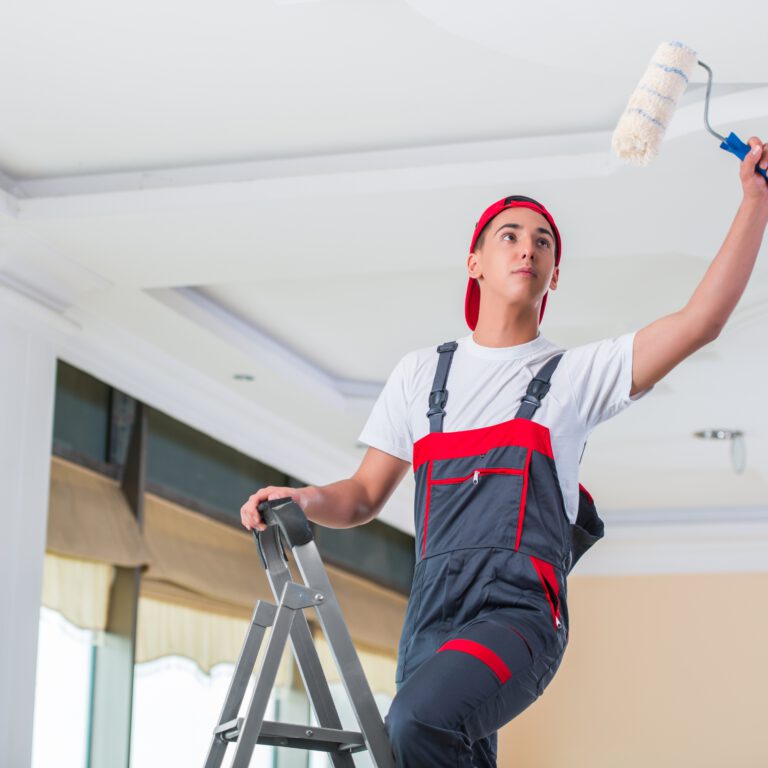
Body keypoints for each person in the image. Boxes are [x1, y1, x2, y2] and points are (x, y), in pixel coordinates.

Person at [241, 137, 768, 766]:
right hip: (431, 620)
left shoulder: (574, 377)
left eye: (544, 241)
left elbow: (700, 321)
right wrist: (301, 497)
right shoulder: (420, 376)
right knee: (439, 745)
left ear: (554, 274)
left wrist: (756, 199)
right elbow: (359, 498)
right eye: (511, 235)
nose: (529, 247)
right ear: (476, 263)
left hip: (517, 616)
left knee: (413, 724)